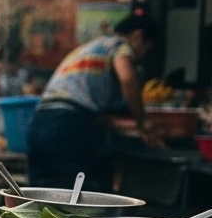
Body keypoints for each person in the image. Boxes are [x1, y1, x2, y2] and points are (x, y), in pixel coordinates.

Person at [27, 13, 161, 191]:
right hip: (69, 126)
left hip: (40, 123)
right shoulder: (119, 46)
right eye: (147, 50)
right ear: (138, 36)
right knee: (75, 197)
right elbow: (128, 79)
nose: (142, 57)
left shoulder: (91, 48)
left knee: (40, 195)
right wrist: (143, 122)